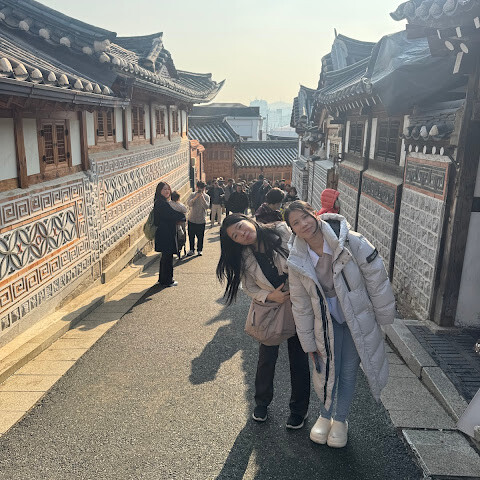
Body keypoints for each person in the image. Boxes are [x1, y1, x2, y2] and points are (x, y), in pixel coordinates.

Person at [283, 201, 395, 447]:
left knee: (348, 370)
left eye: (305, 217)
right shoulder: (296, 259)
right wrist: (307, 341)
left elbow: (377, 278)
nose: (303, 225)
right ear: (292, 229)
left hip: (357, 317)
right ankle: (324, 416)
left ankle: (341, 420)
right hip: (326, 321)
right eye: (296, 223)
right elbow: (300, 303)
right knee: (327, 370)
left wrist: (384, 315)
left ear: (315, 214)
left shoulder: (352, 242)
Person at [216, 214, 310, 429]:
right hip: (272, 309)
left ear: (249, 220)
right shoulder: (245, 257)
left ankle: (299, 410)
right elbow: (249, 287)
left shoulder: (282, 231)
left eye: (241, 227)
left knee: (299, 359)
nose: (243, 234)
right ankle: (261, 403)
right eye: (236, 236)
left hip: (299, 305)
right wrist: (269, 296)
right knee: (266, 358)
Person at [153, 182, 185, 287]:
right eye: (164, 189)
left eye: (168, 189)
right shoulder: (162, 203)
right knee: (167, 257)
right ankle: (168, 280)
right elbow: (172, 215)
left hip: (164, 233)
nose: (167, 191)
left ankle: (162, 279)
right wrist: (182, 217)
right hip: (165, 234)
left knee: (165, 257)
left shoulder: (160, 201)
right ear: (159, 191)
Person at [186, 181, 210, 256]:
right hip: (192, 219)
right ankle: (191, 249)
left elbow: (207, 207)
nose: (201, 189)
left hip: (201, 220)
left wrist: (202, 198)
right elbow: (189, 204)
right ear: (197, 187)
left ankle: (200, 250)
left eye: (202, 188)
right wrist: (195, 197)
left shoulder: (206, 196)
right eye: (199, 187)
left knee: (200, 237)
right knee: (191, 236)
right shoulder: (192, 194)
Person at [169, 191, 188, 258]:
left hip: (171, 224)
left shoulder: (168, 204)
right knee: (181, 235)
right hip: (179, 224)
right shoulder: (180, 205)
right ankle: (180, 248)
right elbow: (185, 210)